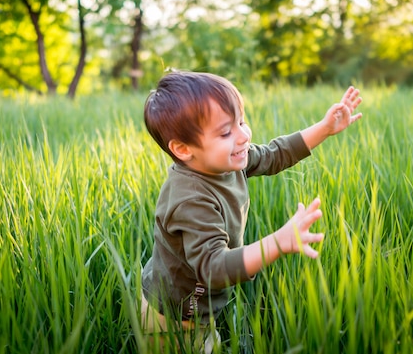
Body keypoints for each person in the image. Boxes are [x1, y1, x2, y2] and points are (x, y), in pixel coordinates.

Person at [140, 70, 362, 353]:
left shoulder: (224, 161)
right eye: (226, 132)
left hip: (194, 300)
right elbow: (213, 268)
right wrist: (278, 242)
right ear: (183, 149)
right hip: (174, 315)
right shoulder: (191, 199)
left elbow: (273, 154)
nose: (244, 135)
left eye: (241, 122)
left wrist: (324, 128)